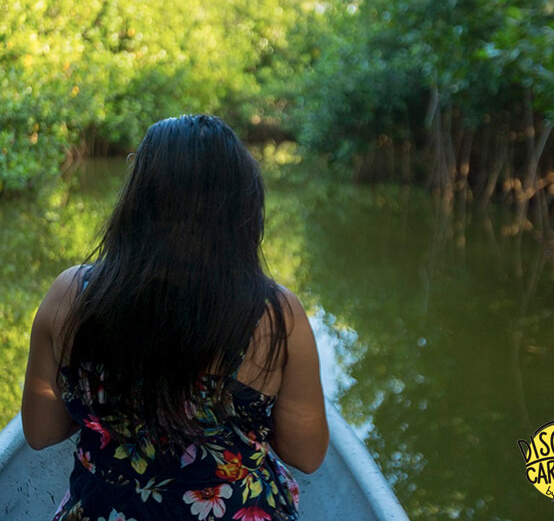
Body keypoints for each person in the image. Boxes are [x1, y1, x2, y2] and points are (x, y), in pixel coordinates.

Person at [22, 114, 329, 521]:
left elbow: (41, 433)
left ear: (137, 200)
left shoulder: (69, 294)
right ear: (241, 205)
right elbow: (306, 456)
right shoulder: (277, 314)